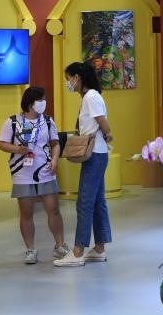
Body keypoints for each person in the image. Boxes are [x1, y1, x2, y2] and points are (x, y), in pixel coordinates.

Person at [0, 85, 69, 265]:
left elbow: (55, 143)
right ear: (30, 102)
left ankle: (60, 246)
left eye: (44, 99)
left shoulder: (48, 121)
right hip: (22, 173)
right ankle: (30, 249)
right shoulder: (13, 121)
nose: (44, 102)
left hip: (46, 170)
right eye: (40, 99)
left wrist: (55, 160)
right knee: (26, 212)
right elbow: (1, 143)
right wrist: (17, 149)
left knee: (53, 210)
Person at [54, 62, 113, 267]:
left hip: (94, 154)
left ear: (77, 77)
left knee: (84, 202)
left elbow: (103, 122)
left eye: (69, 78)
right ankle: (99, 248)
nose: (68, 83)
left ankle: (78, 251)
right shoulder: (90, 97)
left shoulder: (91, 97)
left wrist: (107, 133)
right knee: (97, 202)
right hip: (97, 153)